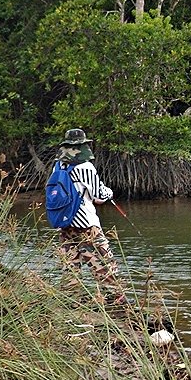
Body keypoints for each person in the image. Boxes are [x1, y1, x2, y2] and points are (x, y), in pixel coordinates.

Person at [53, 128, 130, 309]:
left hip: (64, 223)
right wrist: (109, 192)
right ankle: (116, 302)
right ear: (83, 145)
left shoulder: (58, 166)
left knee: (70, 265)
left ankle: (70, 302)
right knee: (105, 263)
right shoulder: (85, 167)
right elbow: (99, 196)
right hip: (86, 224)